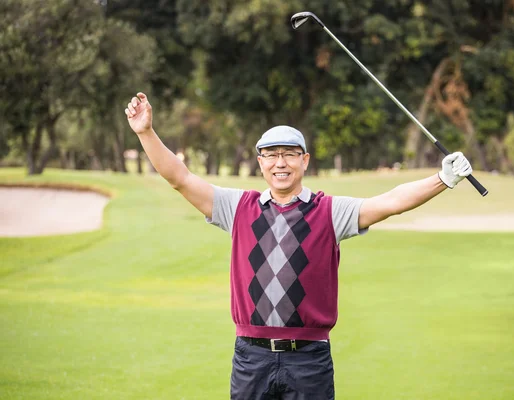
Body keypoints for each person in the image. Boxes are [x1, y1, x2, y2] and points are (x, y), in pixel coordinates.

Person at [125, 92, 473, 400]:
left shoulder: (329, 211)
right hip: (251, 357)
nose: (281, 163)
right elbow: (179, 178)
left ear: (304, 160)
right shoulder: (238, 208)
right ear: (260, 162)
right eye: (271, 155)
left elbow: (390, 202)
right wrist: (145, 132)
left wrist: (442, 179)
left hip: (309, 359)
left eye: (290, 154)